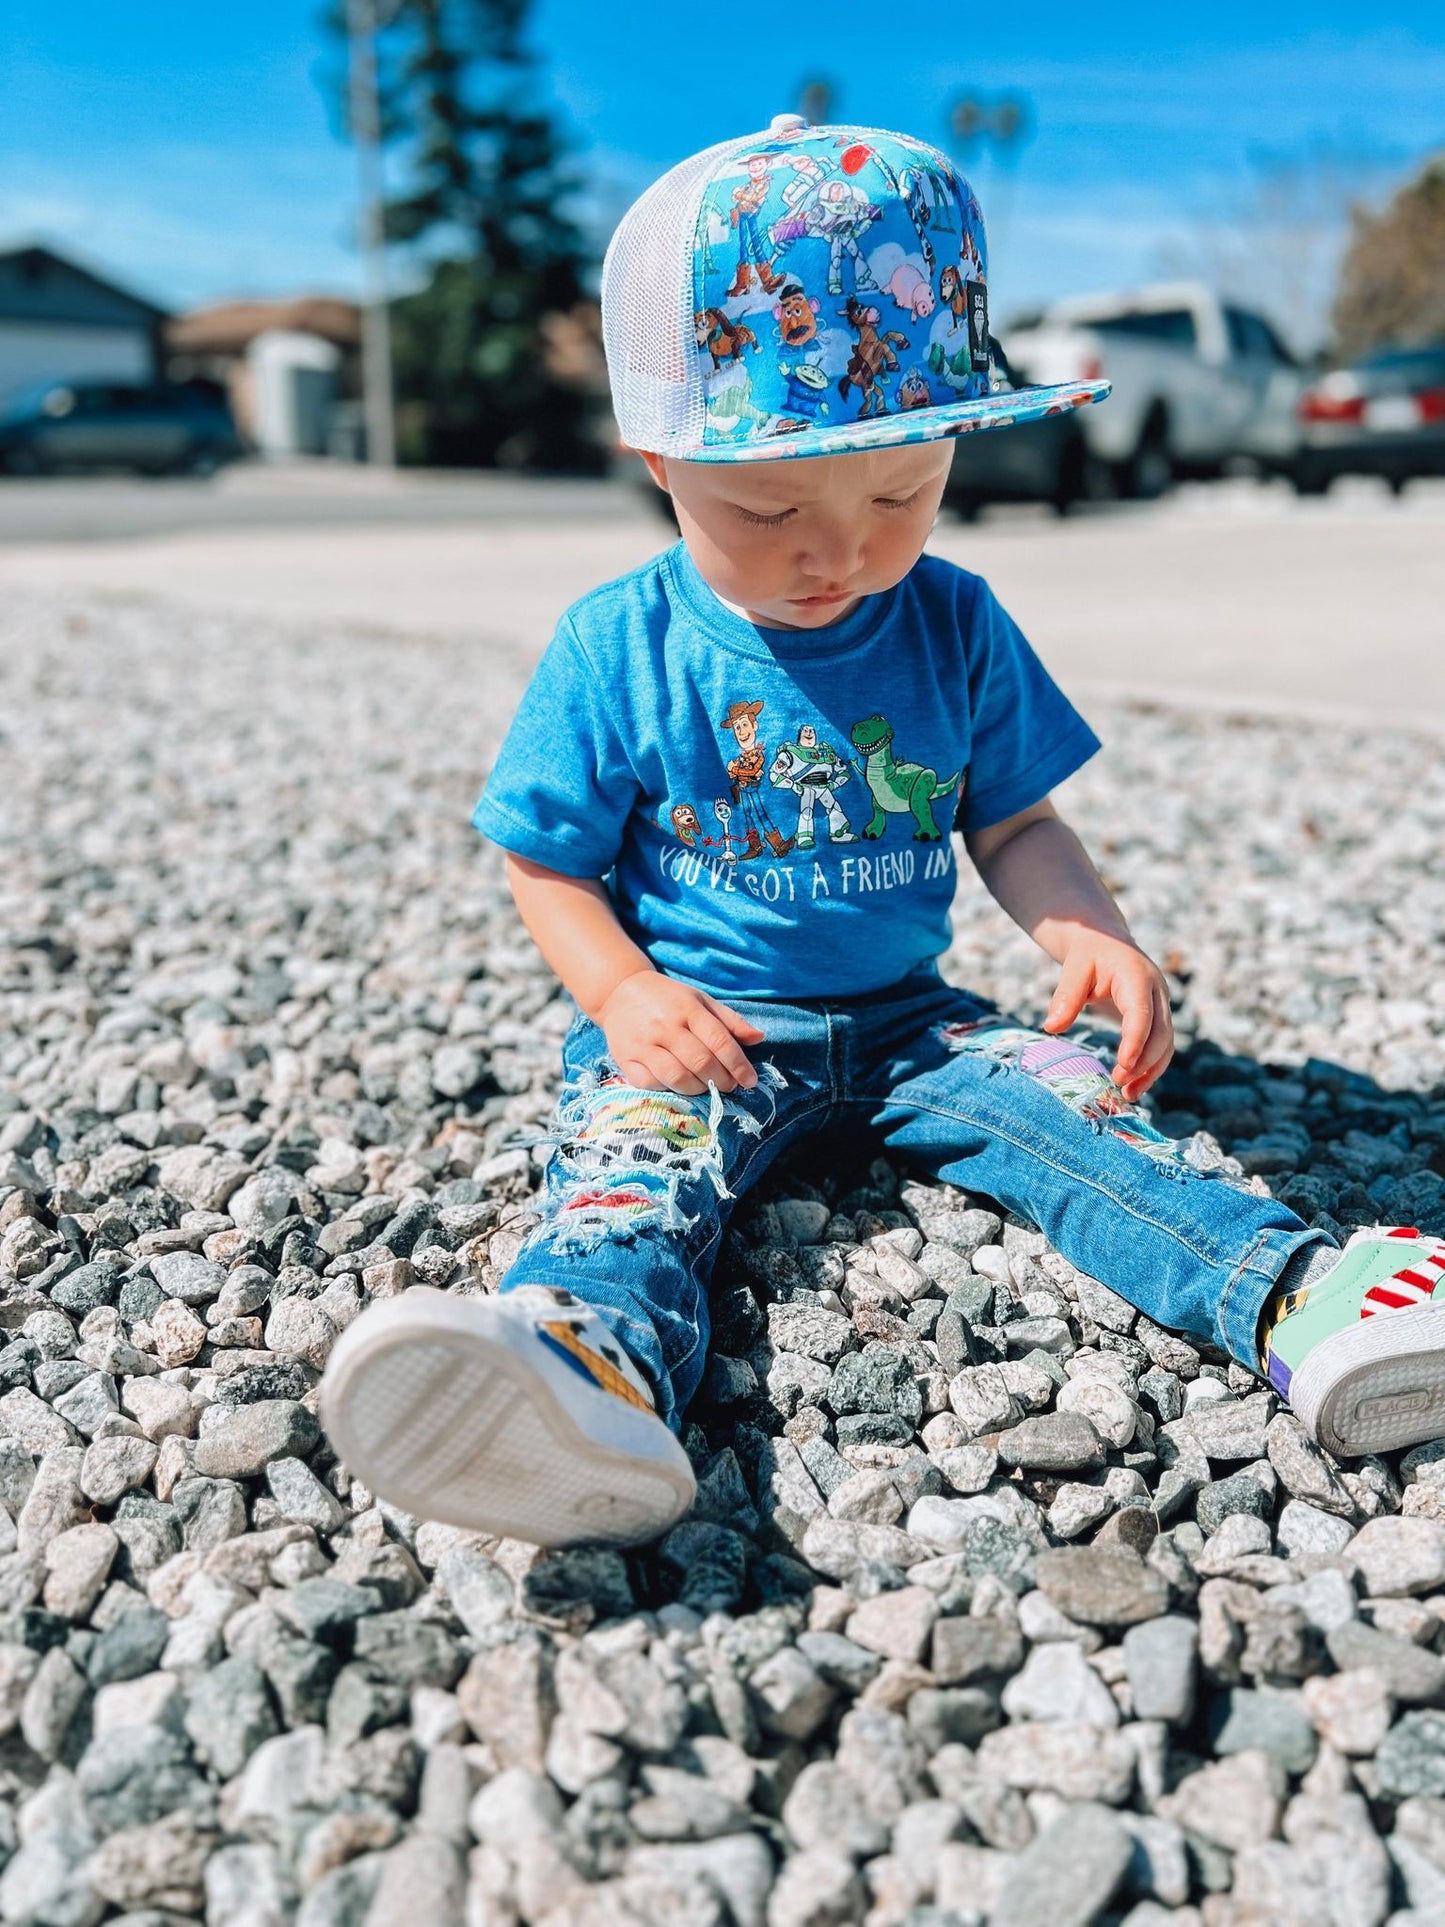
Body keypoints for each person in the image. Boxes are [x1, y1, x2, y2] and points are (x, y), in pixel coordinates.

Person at [319, 114, 1445, 1549]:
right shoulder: (617, 646)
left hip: (915, 1020)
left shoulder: (955, 618)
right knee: (631, 1167)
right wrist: (625, 993)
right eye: (771, 502)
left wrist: (1081, 925)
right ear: (656, 457)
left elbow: (1013, 815)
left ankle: (1304, 1301)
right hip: (706, 1017)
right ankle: (586, 1365)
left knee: (1083, 1119)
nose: (838, 552)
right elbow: (545, 859)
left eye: (903, 490)